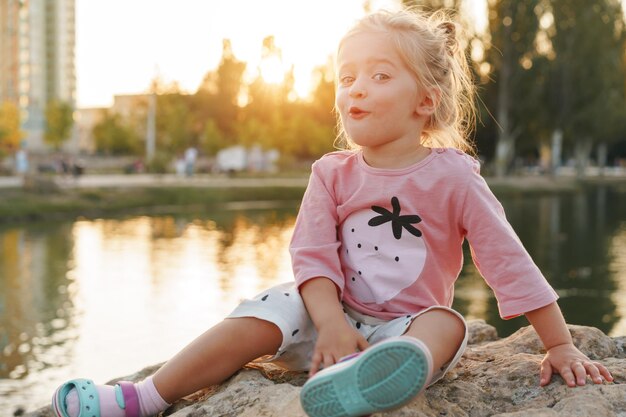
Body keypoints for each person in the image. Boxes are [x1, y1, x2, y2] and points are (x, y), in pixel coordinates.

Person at [51, 8, 613, 417]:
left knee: (447, 323)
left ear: (426, 101)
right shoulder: (332, 172)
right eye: (347, 78)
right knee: (264, 308)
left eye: (380, 76)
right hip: (325, 316)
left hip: (401, 330)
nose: (356, 90)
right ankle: (144, 396)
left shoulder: (454, 177)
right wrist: (331, 325)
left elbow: (506, 262)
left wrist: (559, 344)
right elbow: (312, 256)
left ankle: (371, 382)